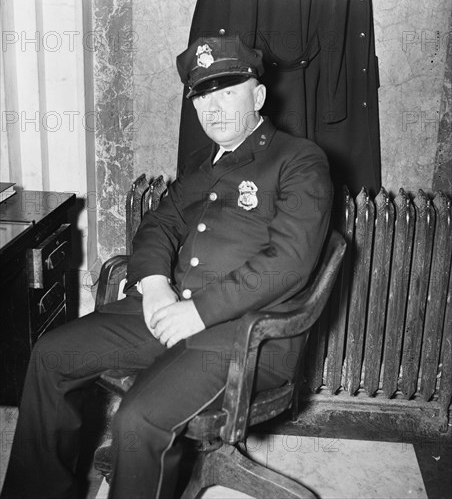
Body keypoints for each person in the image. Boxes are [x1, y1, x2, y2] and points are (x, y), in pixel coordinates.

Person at [1, 35, 332, 499]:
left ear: (257, 95)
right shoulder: (201, 165)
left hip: (247, 334)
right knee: (52, 354)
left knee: (137, 420)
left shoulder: (299, 161)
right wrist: (155, 285)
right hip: (169, 309)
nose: (214, 108)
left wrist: (195, 314)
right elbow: (158, 225)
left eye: (228, 91)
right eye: (203, 95)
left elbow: (290, 262)